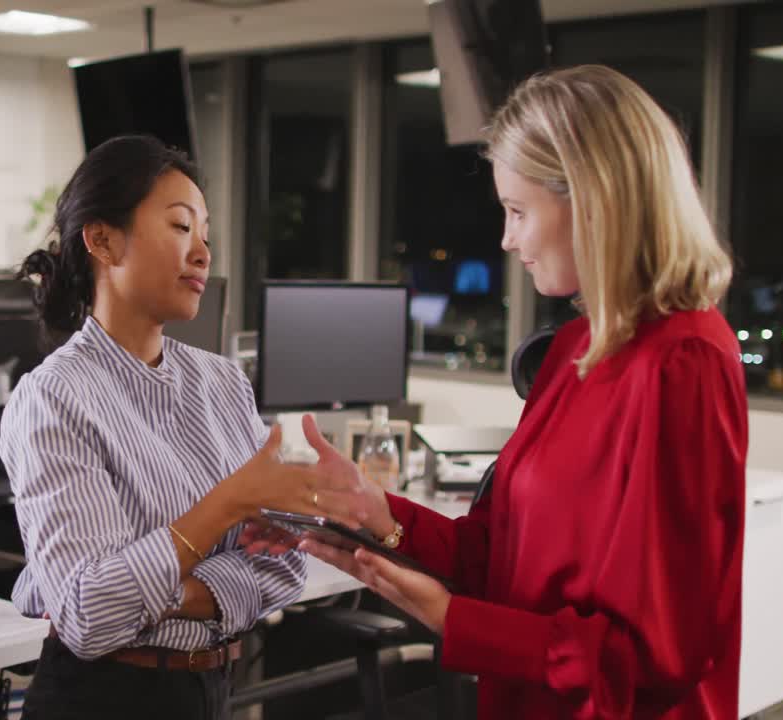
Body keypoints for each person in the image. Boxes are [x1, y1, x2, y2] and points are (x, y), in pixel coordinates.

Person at [247, 65, 747, 718]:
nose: (508, 240)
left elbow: (659, 654)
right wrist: (384, 516)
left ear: (595, 200)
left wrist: (454, 619)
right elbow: (500, 558)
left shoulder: (685, 362)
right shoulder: (574, 349)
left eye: (518, 211)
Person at [1, 135, 354, 720]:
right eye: (180, 226)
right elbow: (90, 616)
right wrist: (229, 505)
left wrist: (155, 592)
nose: (203, 253)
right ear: (103, 239)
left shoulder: (223, 383)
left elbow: (287, 563)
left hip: (209, 692)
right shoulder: (54, 398)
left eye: (205, 232)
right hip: (102, 700)